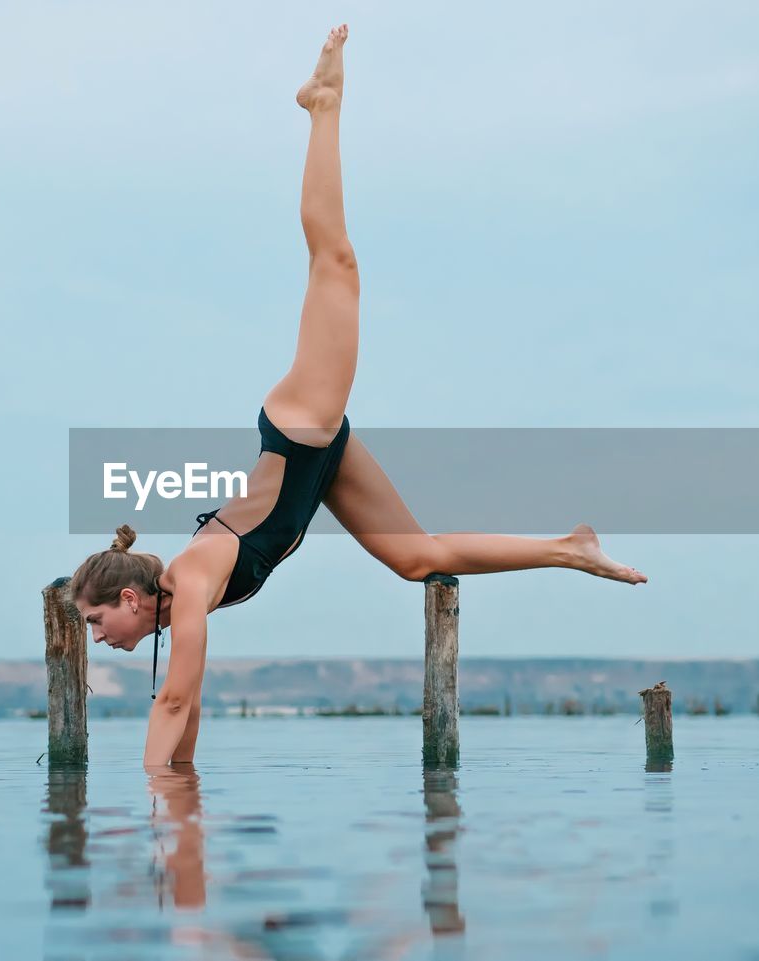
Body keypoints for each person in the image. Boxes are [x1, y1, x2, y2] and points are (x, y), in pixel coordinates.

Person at [69, 25, 647, 768]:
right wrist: (179, 794)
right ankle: (569, 547)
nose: (97, 639)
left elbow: (177, 702)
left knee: (334, 263)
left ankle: (323, 106)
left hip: (299, 427)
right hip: (322, 462)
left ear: (127, 599)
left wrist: (153, 796)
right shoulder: (179, 610)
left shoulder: (189, 577)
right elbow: (188, 704)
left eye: (93, 622)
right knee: (420, 558)